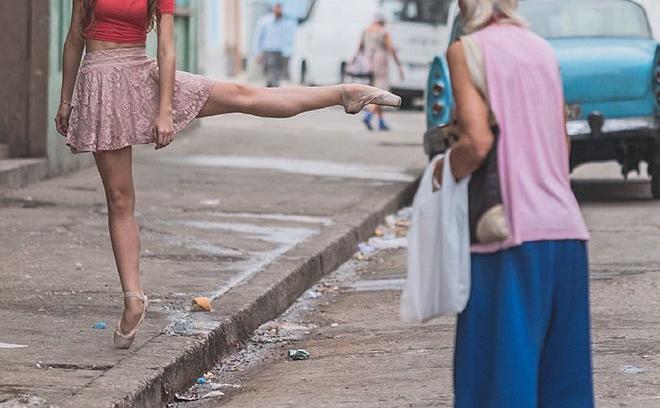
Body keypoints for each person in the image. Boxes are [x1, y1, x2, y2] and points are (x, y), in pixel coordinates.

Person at [54, 0, 400, 350]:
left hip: (142, 75)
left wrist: (165, 111)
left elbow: (167, 47)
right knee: (119, 199)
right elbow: (73, 39)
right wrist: (66, 101)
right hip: (99, 84)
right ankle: (134, 298)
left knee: (242, 94)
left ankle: (344, 93)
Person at [433, 0, 593, 406]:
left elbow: (476, 141)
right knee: (562, 386)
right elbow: (563, 141)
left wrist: (440, 173)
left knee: (497, 384)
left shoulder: (466, 50)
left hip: (506, 233)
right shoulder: (542, 49)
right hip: (566, 230)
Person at [358, 13, 404, 131]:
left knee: (373, 90)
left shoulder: (366, 30)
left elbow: (360, 47)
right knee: (381, 92)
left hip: (368, 62)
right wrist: (399, 66)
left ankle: (381, 122)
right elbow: (391, 49)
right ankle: (368, 114)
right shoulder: (383, 32)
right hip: (380, 62)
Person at [252, 3, 296, 87]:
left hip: (280, 52)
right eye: (276, 8)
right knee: (271, 73)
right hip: (268, 52)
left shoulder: (286, 23)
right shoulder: (265, 22)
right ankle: (271, 88)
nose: (278, 11)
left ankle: (272, 89)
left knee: (277, 74)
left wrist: (289, 52)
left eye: (280, 9)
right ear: (273, 9)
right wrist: (257, 53)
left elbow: (288, 38)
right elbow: (257, 38)